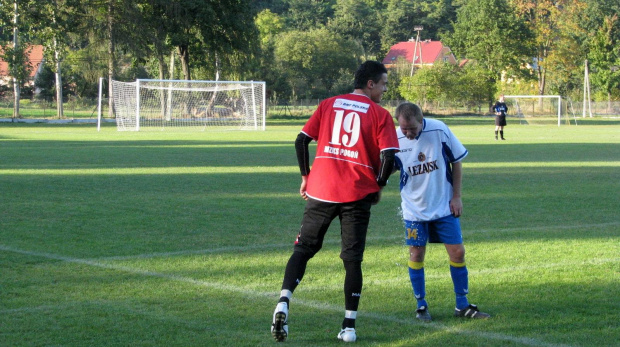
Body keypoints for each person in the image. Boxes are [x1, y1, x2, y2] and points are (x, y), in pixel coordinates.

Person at [271, 61, 400, 343]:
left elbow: (301, 141)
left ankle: (283, 301)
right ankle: (349, 327)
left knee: (303, 248)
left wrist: (306, 176)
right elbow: (389, 158)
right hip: (357, 193)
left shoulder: (328, 104)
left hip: (321, 189)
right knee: (352, 259)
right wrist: (380, 185)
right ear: (370, 84)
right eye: (383, 85)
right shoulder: (380, 114)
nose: (385, 90)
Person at [393, 102, 490, 322]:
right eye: (404, 129)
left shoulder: (439, 129)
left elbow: (456, 161)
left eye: (413, 129)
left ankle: (462, 306)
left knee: (458, 253)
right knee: (416, 254)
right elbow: (389, 167)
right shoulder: (394, 137)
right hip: (413, 211)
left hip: (444, 206)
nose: (408, 133)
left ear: (422, 120)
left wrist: (456, 196)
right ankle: (421, 305)